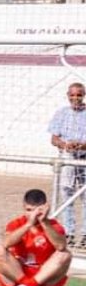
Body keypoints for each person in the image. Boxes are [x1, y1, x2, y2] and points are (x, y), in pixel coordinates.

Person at [0, 189, 73, 286]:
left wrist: (44, 222)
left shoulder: (53, 225)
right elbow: (6, 243)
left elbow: (61, 246)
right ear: (24, 207)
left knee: (65, 255)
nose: (33, 215)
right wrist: (28, 225)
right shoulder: (16, 223)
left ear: (44, 208)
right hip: (17, 277)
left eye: (36, 211)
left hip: (44, 279)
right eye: (29, 210)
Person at [48, 82, 86, 246]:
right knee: (67, 195)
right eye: (72, 95)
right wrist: (65, 145)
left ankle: (85, 235)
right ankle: (69, 232)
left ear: (84, 95)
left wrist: (82, 145)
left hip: (84, 157)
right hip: (68, 158)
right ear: (68, 95)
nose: (75, 98)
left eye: (79, 94)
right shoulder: (62, 113)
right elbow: (54, 138)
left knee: (85, 197)